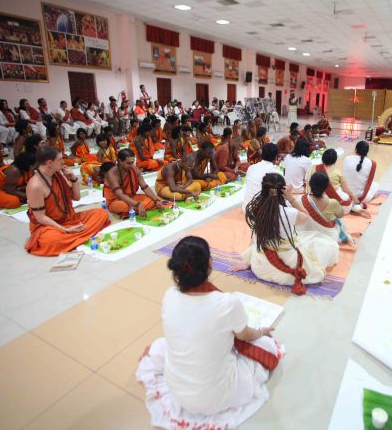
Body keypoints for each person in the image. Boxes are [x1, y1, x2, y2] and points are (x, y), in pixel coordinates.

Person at [137, 236, 281, 428]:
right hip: (217, 397)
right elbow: (245, 335)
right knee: (266, 344)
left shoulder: (169, 295)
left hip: (178, 392)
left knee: (161, 345)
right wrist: (261, 331)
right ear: (210, 262)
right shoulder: (228, 303)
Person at [235, 173, 337, 294]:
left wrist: (247, 260)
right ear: (283, 191)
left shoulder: (255, 210)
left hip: (260, 268)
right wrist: (291, 198)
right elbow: (306, 217)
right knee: (328, 245)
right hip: (287, 272)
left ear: (263, 190)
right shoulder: (289, 213)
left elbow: (254, 237)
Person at [24, 146, 110, 256]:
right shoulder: (35, 185)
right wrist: (66, 230)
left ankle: (74, 235)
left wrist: (73, 178)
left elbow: (76, 197)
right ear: (49, 163)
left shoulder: (58, 174)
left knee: (101, 213)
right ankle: (75, 234)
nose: (63, 162)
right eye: (60, 159)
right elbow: (40, 217)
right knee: (52, 241)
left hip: (68, 218)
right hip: (48, 226)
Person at [103, 148, 163, 218]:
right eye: (128, 163)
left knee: (156, 200)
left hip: (132, 197)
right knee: (124, 207)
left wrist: (156, 199)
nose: (131, 165)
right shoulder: (111, 173)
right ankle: (136, 209)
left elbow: (144, 187)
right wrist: (137, 205)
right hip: (116, 201)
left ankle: (135, 210)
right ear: (120, 161)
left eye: (133, 162)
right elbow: (119, 195)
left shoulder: (134, 168)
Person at [298, 171, 348, 245]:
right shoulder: (333, 203)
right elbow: (340, 215)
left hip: (305, 234)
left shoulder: (301, 199)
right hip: (327, 236)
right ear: (327, 187)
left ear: (310, 184)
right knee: (338, 220)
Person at [309, 149, 362, 214]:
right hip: (341, 207)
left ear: (323, 158)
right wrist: (357, 202)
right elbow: (347, 191)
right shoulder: (338, 173)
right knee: (345, 196)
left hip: (318, 203)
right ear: (335, 160)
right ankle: (357, 207)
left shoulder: (314, 169)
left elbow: (309, 186)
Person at [242, 143, 279, 211]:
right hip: (261, 213)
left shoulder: (251, 167)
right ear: (276, 157)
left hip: (246, 208)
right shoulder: (275, 172)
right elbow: (275, 195)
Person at [341, 140, 379, 205]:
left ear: (355, 149)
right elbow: (369, 182)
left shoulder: (347, 158)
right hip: (362, 197)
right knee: (375, 185)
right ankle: (372, 197)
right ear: (367, 151)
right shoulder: (372, 163)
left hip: (345, 195)